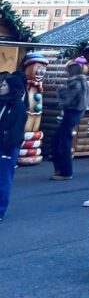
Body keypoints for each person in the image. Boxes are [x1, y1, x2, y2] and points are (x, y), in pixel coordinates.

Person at [53, 61, 89, 181]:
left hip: (70, 113)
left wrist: (60, 92)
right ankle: (62, 170)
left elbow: (67, 101)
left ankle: (65, 171)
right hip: (78, 113)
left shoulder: (74, 84)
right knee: (61, 140)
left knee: (62, 142)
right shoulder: (86, 83)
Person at [0, 73, 28, 222]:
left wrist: (8, 147)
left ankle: (0, 210)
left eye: (4, 85)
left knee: (3, 180)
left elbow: (16, 130)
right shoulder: (2, 102)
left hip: (7, 148)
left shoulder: (18, 106)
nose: (1, 87)